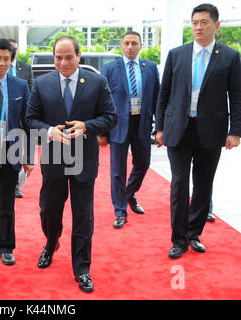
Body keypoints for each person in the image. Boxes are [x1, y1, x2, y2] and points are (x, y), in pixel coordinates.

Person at [25, 35, 117, 292]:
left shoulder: (96, 82)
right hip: (54, 158)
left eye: (68, 57)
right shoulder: (42, 83)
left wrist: (87, 126)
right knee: (48, 211)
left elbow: (111, 117)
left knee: (83, 217)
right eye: (58, 57)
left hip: (84, 161)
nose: (63, 62)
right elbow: (30, 119)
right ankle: (51, 242)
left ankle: (82, 268)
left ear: (79, 57)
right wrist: (48, 131)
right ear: (53, 58)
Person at [155, 3, 241, 259]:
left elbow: (237, 96)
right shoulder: (176, 54)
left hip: (211, 131)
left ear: (216, 25)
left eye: (204, 22)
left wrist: (235, 130)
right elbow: (164, 94)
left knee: (203, 186)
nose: (198, 27)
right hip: (178, 129)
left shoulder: (230, 56)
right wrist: (159, 127)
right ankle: (178, 239)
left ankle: (194, 234)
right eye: (194, 22)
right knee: (179, 184)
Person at [100, 31, 160, 229]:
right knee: (117, 170)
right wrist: (101, 131)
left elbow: (158, 98)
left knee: (143, 163)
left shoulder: (150, 68)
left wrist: (160, 127)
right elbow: (102, 101)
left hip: (142, 122)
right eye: (126, 43)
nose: (130, 47)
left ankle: (128, 194)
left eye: (134, 43)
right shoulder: (110, 69)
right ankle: (120, 211)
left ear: (141, 45)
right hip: (117, 125)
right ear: (121, 46)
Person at [0, 38, 33, 266]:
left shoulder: (20, 86)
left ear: (11, 60)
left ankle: (5, 247)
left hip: (11, 150)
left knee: (6, 203)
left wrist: (29, 157)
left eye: (7, 59)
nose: (2, 63)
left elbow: (29, 122)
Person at [7, 39, 34, 199]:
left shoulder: (25, 68)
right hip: (3, 116)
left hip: (20, 113)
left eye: (15, 48)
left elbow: (31, 88)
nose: (13, 51)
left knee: (16, 151)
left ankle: (15, 184)